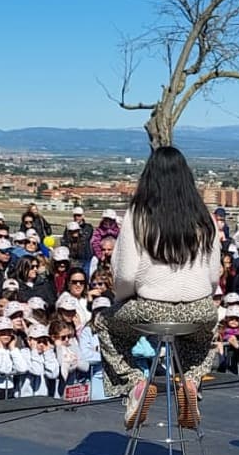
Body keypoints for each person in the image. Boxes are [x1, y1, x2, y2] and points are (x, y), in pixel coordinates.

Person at [94, 146, 220, 430]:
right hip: (200, 307)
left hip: (152, 307)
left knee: (104, 324)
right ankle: (191, 379)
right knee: (204, 336)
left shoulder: (138, 215)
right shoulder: (205, 217)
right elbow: (213, 277)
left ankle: (134, 384)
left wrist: (122, 299)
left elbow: (125, 275)